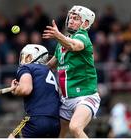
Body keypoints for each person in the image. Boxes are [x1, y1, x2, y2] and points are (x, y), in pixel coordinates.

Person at [42, 5, 101, 138]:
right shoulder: (62, 43)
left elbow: (73, 45)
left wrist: (58, 35)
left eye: (76, 19)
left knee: (75, 128)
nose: (70, 21)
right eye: (70, 17)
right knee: (56, 134)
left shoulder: (82, 38)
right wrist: (29, 71)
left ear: (85, 24)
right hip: (66, 99)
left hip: (86, 96)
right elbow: (50, 65)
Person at [8, 44, 61, 138]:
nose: (24, 59)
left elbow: (26, 89)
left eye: (27, 56)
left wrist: (15, 90)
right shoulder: (48, 71)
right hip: (55, 123)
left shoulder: (26, 68)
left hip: (36, 119)